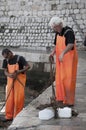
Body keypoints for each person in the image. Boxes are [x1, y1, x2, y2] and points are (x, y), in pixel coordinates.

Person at [49, 16, 78, 107]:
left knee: (68, 79)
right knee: (60, 79)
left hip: (69, 59)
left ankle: (69, 101)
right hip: (60, 59)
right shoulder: (58, 32)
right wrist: (52, 53)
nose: (54, 29)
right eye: (53, 28)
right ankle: (61, 98)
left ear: (59, 24)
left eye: (55, 27)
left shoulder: (68, 32)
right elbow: (56, 45)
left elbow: (70, 44)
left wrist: (63, 53)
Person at [1, 48, 30, 122]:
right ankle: (8, 116)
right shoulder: (6, 60)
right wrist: (9, 75)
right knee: (9, 99)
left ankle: (17, 116)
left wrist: (18, 72)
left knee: (18, 99)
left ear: (10, 53)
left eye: (7, 57)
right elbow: (5, 71)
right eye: (5, 58)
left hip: (19, 81)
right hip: (10, 81)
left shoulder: (20, 58)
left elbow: (28, 67)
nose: (7, 59)